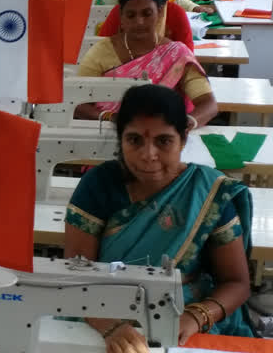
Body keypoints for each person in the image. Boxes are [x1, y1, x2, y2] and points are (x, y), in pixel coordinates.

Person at [66, 84, 254, 350]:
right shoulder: (99, 185)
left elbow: (236, 282)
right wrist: (107, 324)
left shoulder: (207, 192)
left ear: (184, 138)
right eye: (134, 140)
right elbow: (75, 275)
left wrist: (197, 316)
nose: (148, 155)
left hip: (186, 313)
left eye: (163, 141)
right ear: (120, 139)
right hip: (101, 307)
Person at [75, 0, 218, 128]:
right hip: (106, 135)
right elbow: (76, 103)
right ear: (121, 18)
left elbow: (208, 104)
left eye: (147, 14)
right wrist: (111, 118)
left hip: (163, 137)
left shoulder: (177, 54)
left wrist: (182, 125)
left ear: (160, 13)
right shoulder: (101, 52)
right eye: (131, 15)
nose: (139, 22)